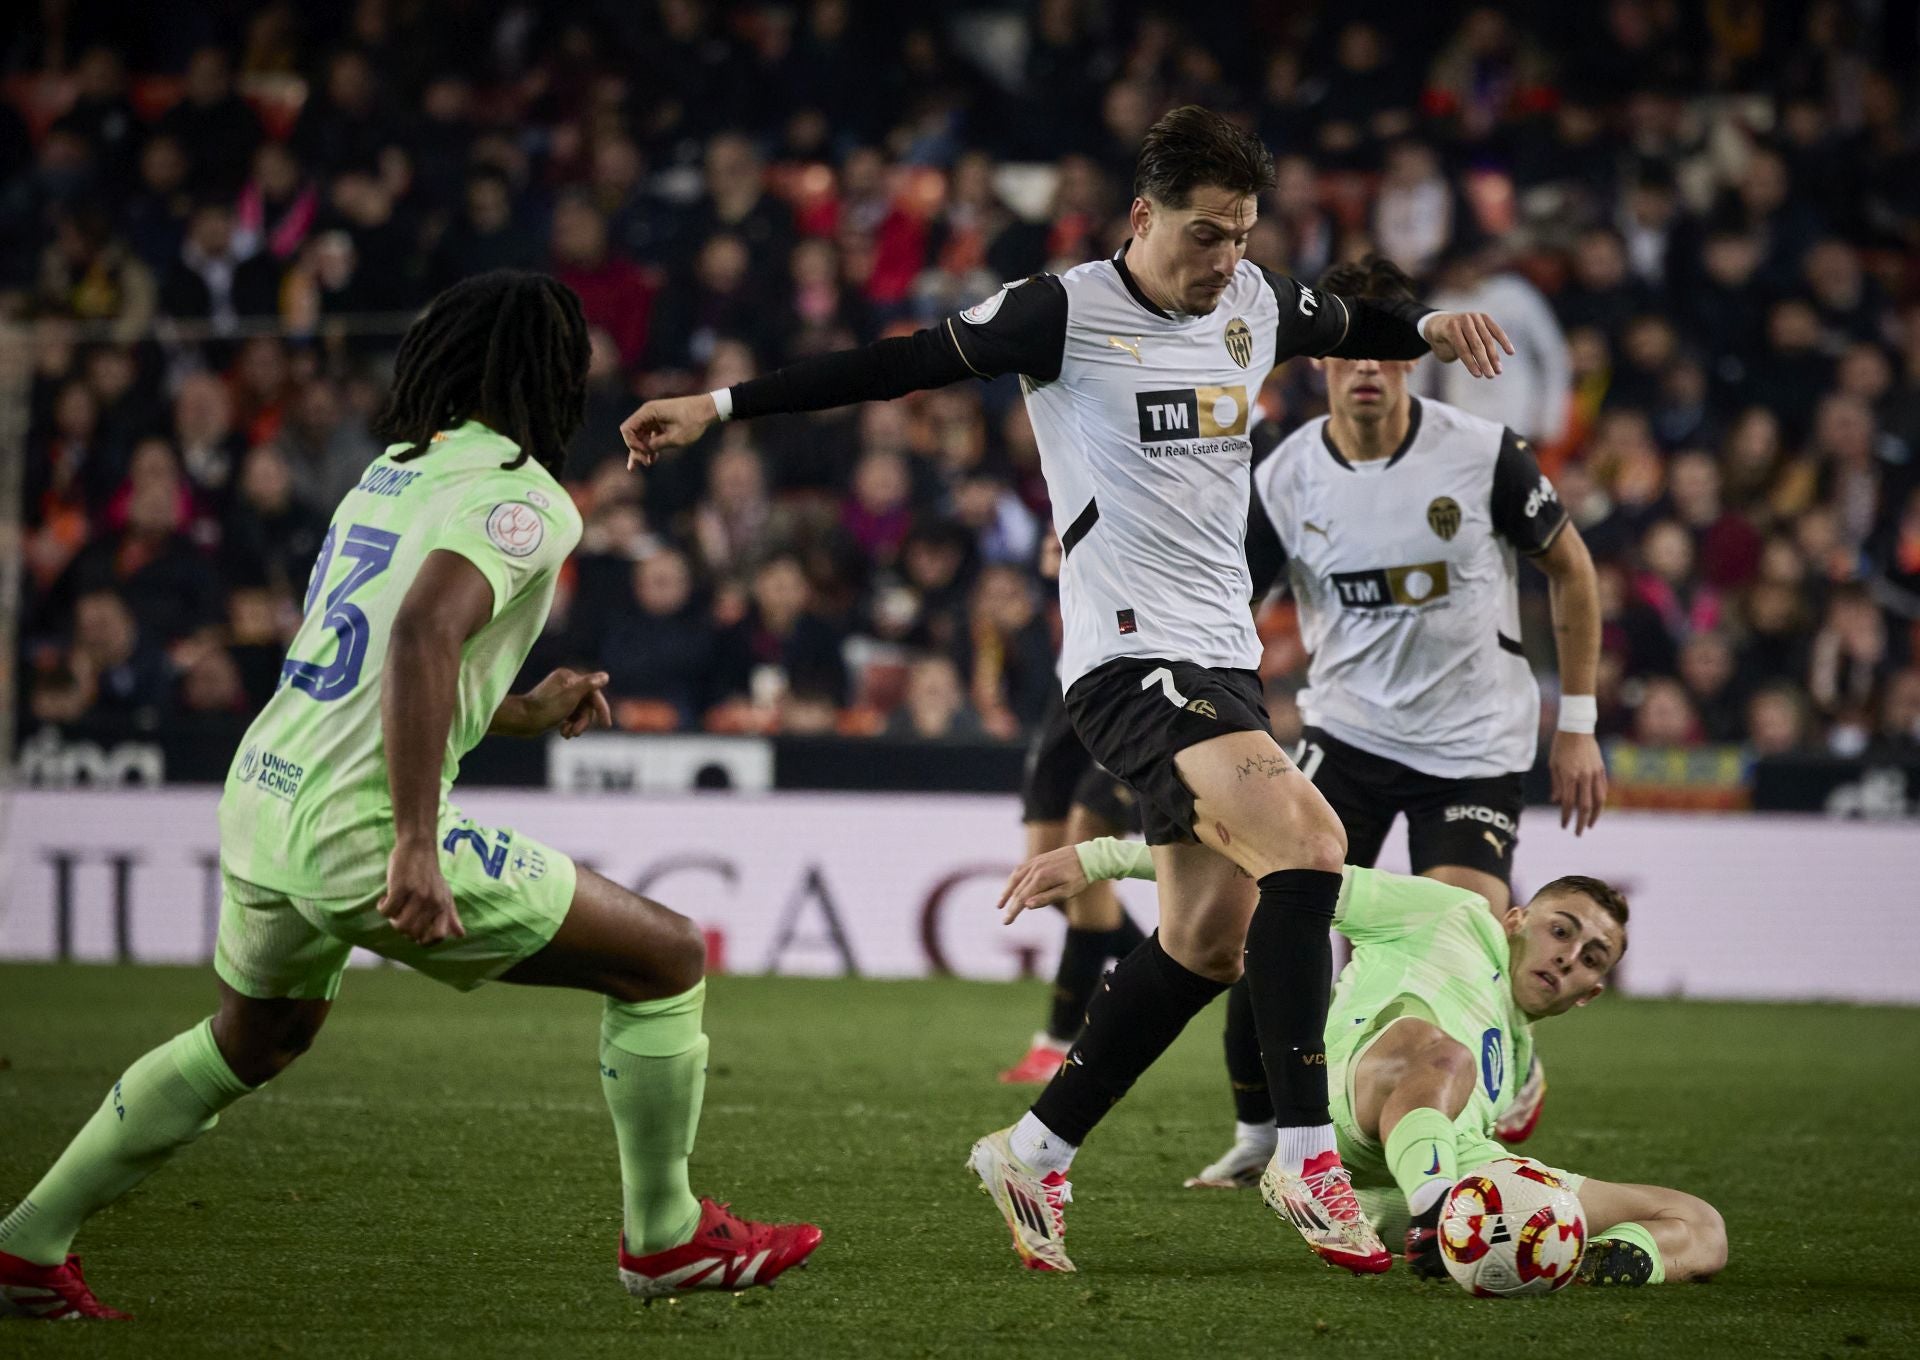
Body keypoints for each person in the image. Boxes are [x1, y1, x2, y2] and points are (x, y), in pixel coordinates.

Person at [622, 106, 1516, 1274]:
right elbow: (895, 364)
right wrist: (722, 405)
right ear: (1142, 219)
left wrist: (1431, 326)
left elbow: (1351, 316)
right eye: (1205, 235)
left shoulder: (1257, 304)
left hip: (1223, 662)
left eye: (1242, 235)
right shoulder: (1062, 312)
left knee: (1208, 939)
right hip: (1127, 657)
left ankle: (1036, 1147)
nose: (1226, 261)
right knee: (1308, 837)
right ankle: (1307, 1156)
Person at [0, 272, 820, 1321]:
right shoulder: (526, 499)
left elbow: (392, 650)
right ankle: (665, 1239)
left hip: (265, 793)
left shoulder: (391, 471)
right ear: (549, 373)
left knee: (251, 1040)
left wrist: (519, 708)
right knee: (664, 957)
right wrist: (417, 844)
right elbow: (426, 632)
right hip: (361, 822)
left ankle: (26, 1242)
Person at [1188, 255, 1607, 1191]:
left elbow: (1572, 570)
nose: (1368, 371)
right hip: (1349, 736)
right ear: (1324, 363)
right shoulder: (1285, 474)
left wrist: (1575, 722)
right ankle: (1263, 1135)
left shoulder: (1482, 453)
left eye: (1386, 354)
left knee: (1454, 951)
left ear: (1412, 362)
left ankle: (1478, 1101)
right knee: (1269, 924)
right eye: (1350, 355)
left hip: (1474, 746)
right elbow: (1226, 608)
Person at [1002, 840, 1728, 1287]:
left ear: (1589, 995)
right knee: (1433, 1049)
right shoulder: (1450, 914)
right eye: (1560, 931)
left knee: (1696, 1223)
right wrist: (1101, 858)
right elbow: (1279, 872)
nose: (1567, 956)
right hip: (1349, 1102)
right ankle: (1435, 1216)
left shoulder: (1519, 1051)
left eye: (1588, 959)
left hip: (1435, 1159)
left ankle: (1578, 1264)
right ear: (1517, 921)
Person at [998, 529, 1148, 1086]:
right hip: (1070, 699)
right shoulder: (1078, 474)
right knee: (1046, 879)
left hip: (1134, 692)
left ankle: (1057, 1041)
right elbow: (1048, 558)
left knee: (1085, 843)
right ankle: (1177, 966)